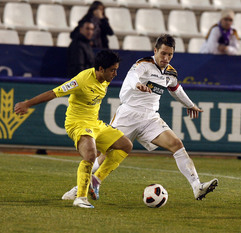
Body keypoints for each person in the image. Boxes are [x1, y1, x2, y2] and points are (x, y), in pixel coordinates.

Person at [62, 34, 218, 202]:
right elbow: (132, 77)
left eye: (170, 54)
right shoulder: (143, 64)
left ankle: (197, 187)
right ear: (155, 50)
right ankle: (79, 188)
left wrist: (190, 105)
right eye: (163, 53)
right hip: (128, 115)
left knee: (176, 144)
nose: (166, 58)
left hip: (150, 118)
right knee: (106, 156)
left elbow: (176, 89)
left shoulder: (170, 73)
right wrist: (137, 84)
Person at [15, 50, 133, 209]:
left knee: (126, 145)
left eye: (116, 69)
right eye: (112, 70)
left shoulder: (105, 80)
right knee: (90, 155)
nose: (115, 73)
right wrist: (27, 104)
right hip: (77, 123)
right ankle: (80, 198)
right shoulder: (82, 80)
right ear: (100, 69)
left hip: (94, 123)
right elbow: (54, 93)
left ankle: (95, 181)